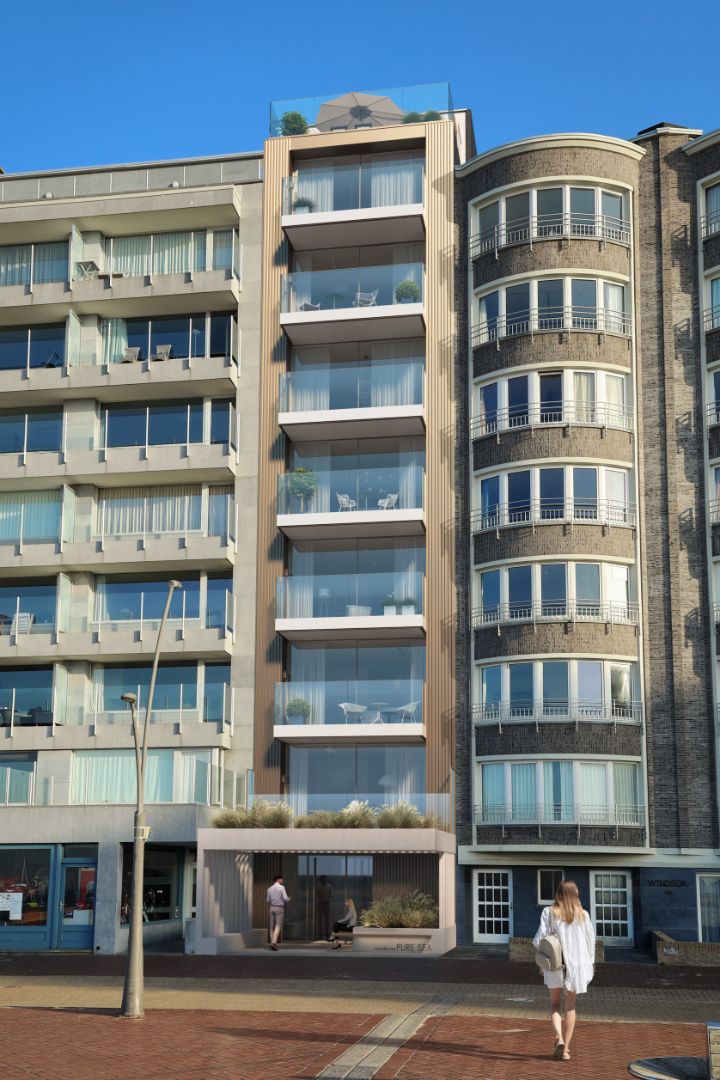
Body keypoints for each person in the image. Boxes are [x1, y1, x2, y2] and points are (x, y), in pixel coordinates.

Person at [532, 879, 595, 1062]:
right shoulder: (583, 915)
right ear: (576, 895)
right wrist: (590, 963)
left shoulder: (549, 912)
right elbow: (591, 942)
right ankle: (566, 1049)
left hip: (555, 966)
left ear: (558, 894)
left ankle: (559, 1037)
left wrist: (541, 963)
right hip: (576, 967)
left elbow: (539, 940)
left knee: (554, 1005)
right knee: (571, 1007)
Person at [267, 874, 290, 951]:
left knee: (271, 926)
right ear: (277, 880)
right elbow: (285, 898)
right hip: (279, 908)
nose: (282, 880)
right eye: (281, 879)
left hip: (272, 907)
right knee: (278, 926)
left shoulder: (269, 889)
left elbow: (267, 900)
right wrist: (289, 899)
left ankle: (271, 943)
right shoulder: (281, 888)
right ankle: (274, 942)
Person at [315, 875, 334, 941]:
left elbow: (331, 894)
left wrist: (328, 898)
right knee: (320, 919)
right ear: (321, 880)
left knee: (327, 920)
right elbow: (316, 895)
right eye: (323, 879)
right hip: (320, 903)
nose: (325, 880)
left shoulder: (329, 886)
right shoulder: (318, 886)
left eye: (325, 879)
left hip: (327, 904)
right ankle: (321, 934)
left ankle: (327, 933)